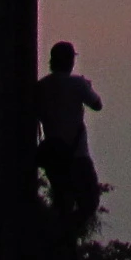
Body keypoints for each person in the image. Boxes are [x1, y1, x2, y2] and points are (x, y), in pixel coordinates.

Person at [35, 40, 103, 248]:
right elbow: (97, 105)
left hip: (54, 156)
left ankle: (60, 241)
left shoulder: (41, 87)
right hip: (77, 155)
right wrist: (87, 87)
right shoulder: (77, 84)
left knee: (62, 204)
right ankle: (63, 237)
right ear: (71, 61)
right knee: (89, 201)